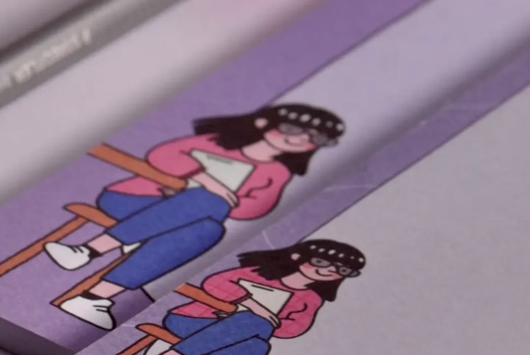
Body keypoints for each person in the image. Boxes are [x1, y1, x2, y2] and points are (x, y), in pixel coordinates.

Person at [47, 103, 345, 330]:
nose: (299, 139)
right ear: (264, 122)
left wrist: (211, 195)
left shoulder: (276, 172)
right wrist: (206, 180)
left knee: (209, 230)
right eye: (292, 129)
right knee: (207, 202)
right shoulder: (215, 142)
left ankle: (93, 292)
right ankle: (89, 256)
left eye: (313, 138)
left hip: (189, 222)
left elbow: (254, 208)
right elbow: (162, 157)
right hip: (133, 198)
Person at [125, 239, 366, 355]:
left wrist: (254, 319)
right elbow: (214, 284)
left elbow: (293, 329)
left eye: (341, 270)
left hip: (241, 338)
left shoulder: (311, 298)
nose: (329, 271)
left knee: (257, 346)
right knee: (253, 322)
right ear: (297, 256)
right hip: (192, 320)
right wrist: (252, 305)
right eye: (321, 262)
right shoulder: (257, 273)